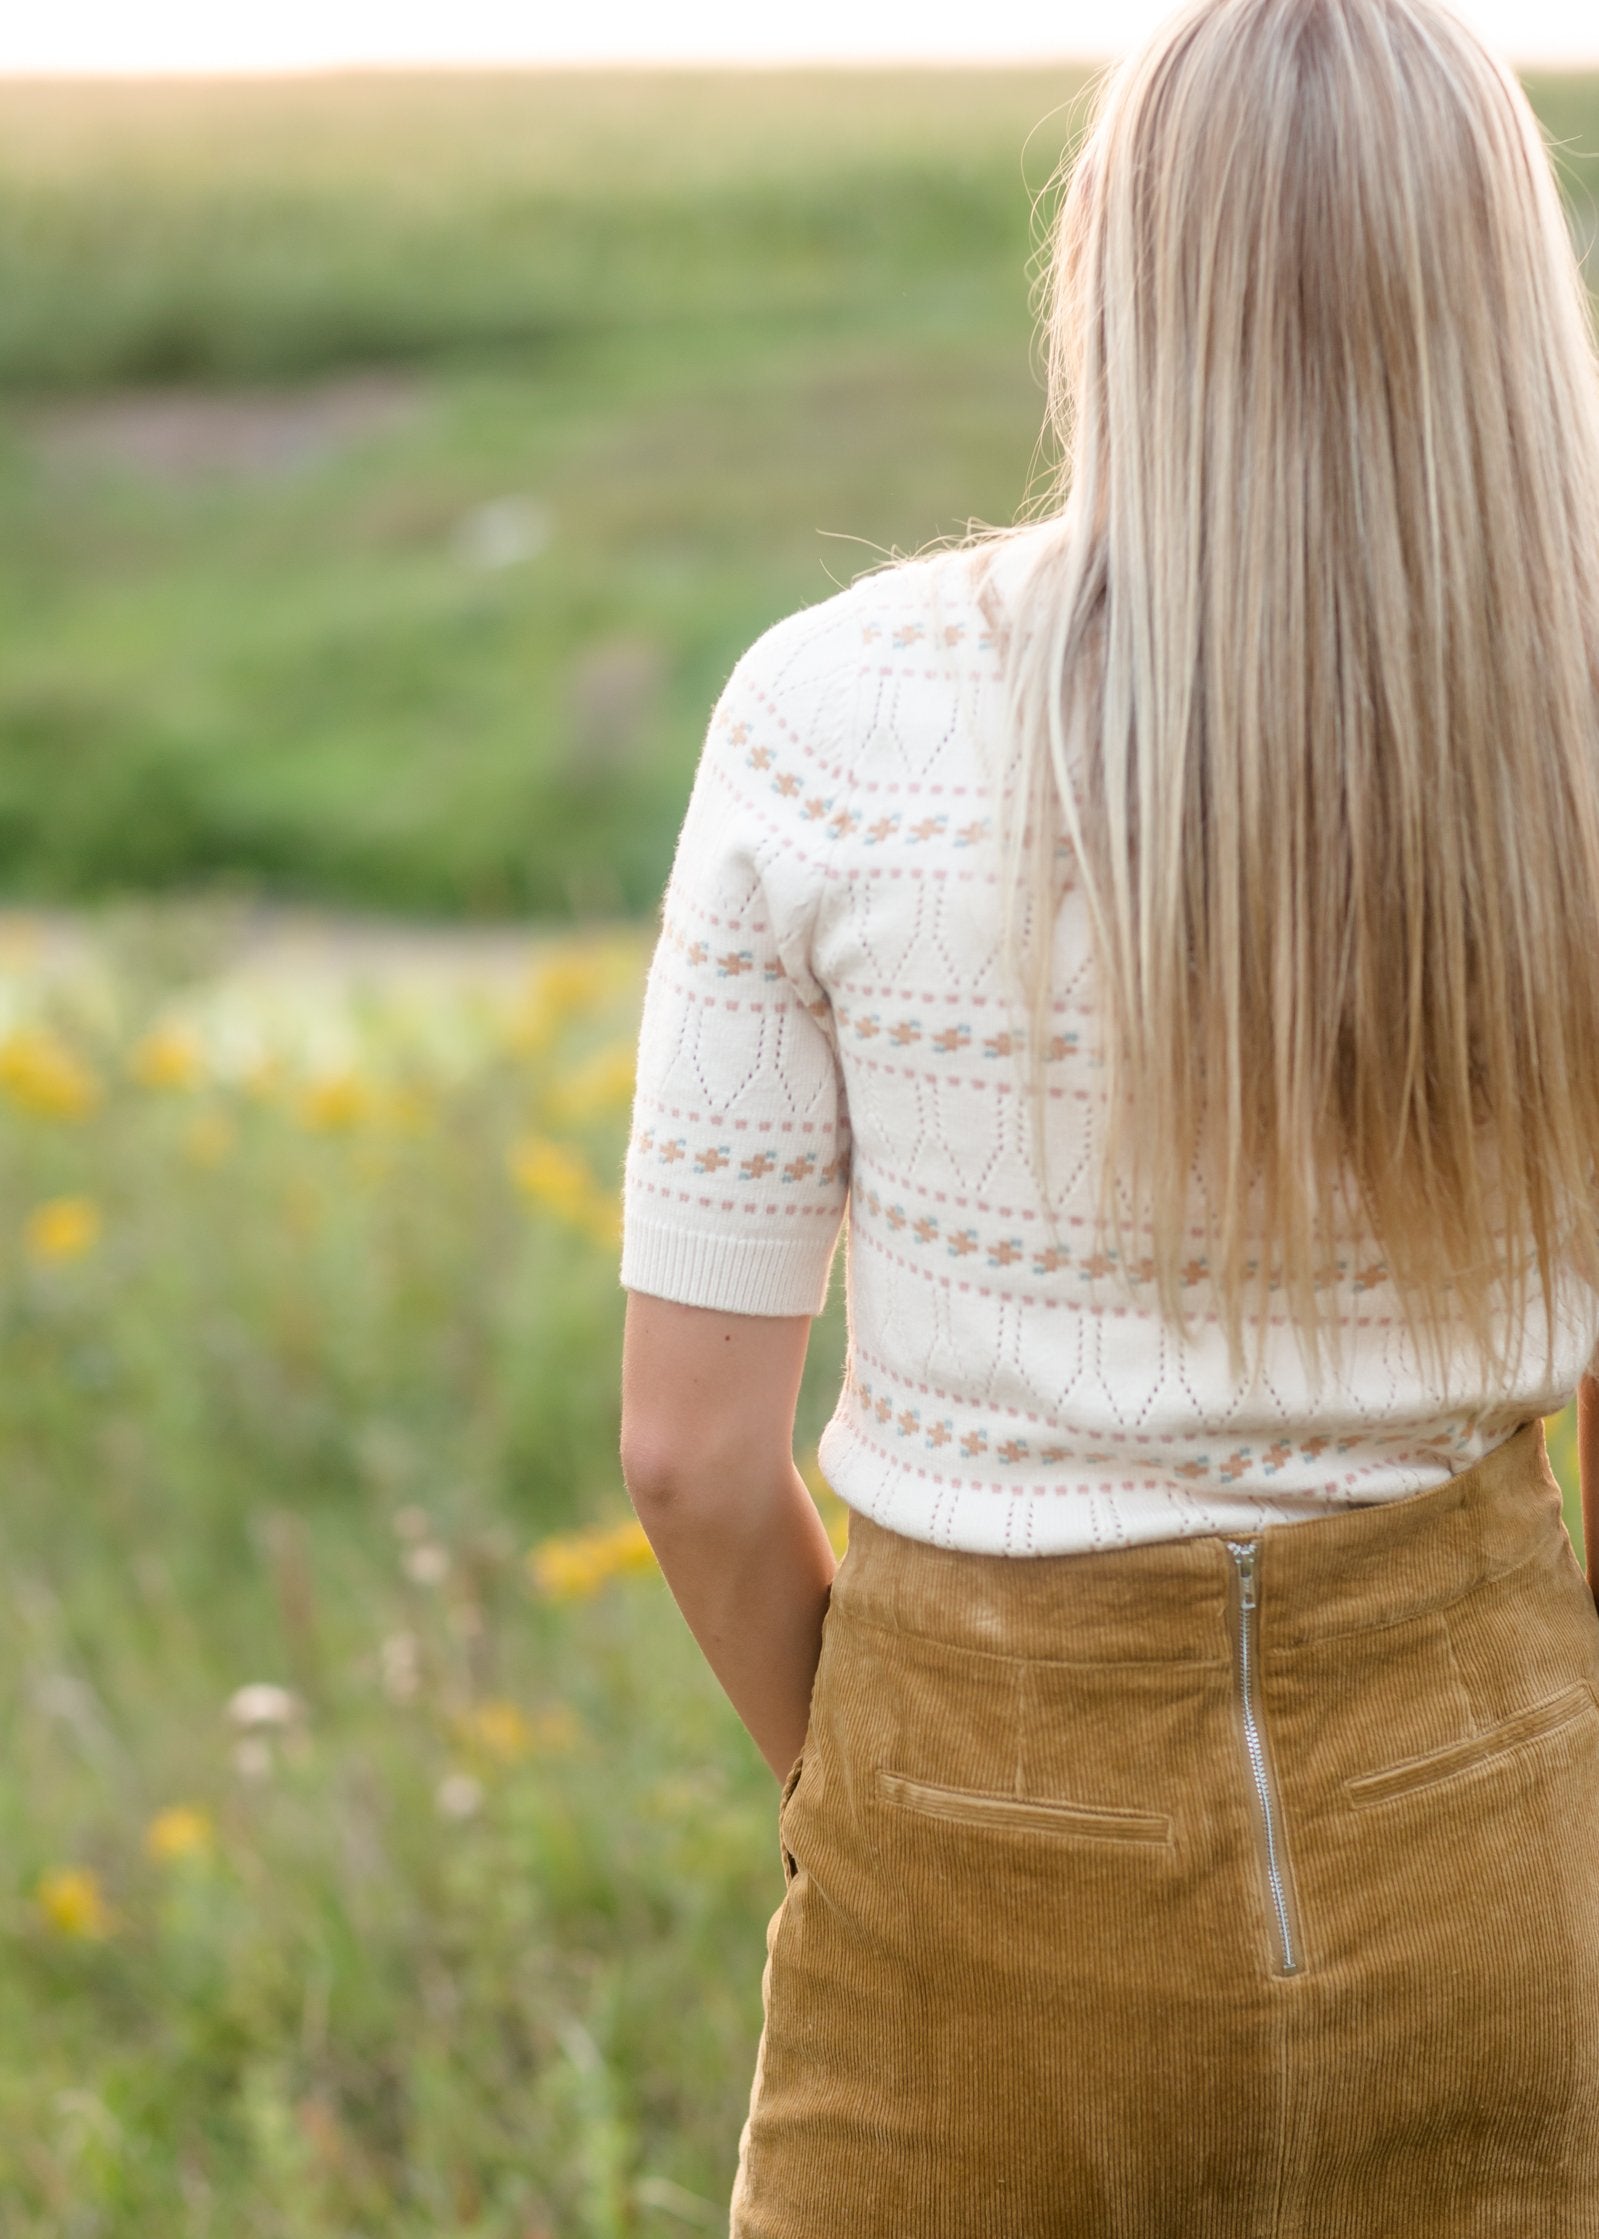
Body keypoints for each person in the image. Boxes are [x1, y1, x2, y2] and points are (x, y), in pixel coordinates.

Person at [617, 0, 1599, 2226]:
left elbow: (684, 1457)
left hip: (968, 1811)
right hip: (1492, 1812)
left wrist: (870, 1798)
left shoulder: (832, 711)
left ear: (1117, 269)